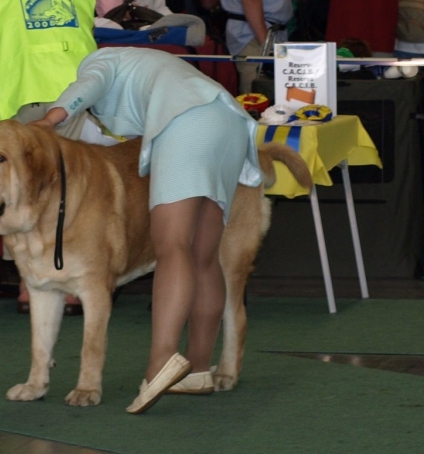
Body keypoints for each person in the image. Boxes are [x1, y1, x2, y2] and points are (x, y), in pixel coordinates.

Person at [31, 47, 263, 414]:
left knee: (171, 246)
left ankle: (160, 365)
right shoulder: (150, 63)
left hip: (184, 121)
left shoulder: (102, 60)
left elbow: (88, 85)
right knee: (204, 258)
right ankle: (198, 369)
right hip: (229, 122)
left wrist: (50, 120)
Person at [0, 0, 97, 312]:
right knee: (72, 191)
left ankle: (29, 288)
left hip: (16, 102)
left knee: (19, 195)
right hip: (76, 99)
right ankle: (72, 289)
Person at [200, 0, 293, 94]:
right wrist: (267, 45)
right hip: (255, 34)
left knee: (268, 87)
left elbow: (208, 4)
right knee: (257, 90)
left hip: (267, 32)